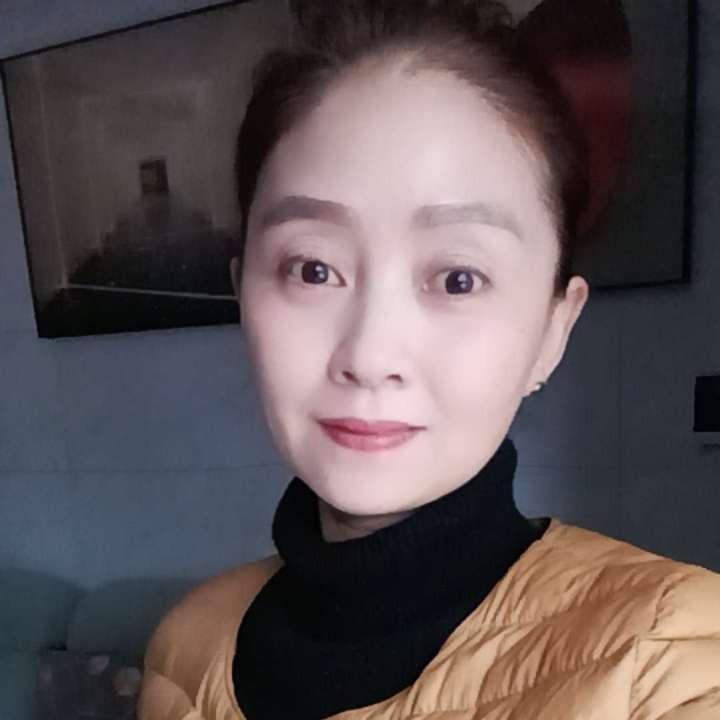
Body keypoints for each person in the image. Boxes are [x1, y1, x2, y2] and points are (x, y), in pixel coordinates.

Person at [138, 1, 720, 719]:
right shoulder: (187, 650)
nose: (369, 355)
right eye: (312, 269)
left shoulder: (670, 663)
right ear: (243, 296)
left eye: (457, 279)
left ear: (554, 329)